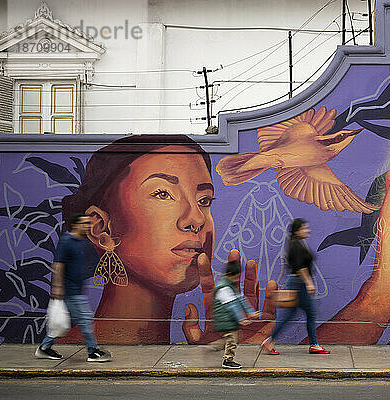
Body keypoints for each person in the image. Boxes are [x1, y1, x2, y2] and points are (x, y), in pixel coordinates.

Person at [59, 135, 275, 345]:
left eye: (204, 200)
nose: (197, 219)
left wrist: (225, 349)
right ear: (102, 229)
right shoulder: (69, 361)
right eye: (163, 194)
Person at [35, 213, 112, 362]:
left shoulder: (81, 241)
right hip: (69, 290)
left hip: (76, 289)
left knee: (65, 322)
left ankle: (45, 347)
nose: (87, 226)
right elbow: (58, 265)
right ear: (76, 224)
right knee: (85, 319)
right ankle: (92, 351)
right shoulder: (67, 241)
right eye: (84, 223)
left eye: (88, 224)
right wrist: (57, 288)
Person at [261, 218, 330, 355]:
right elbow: (300, 267)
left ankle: (270, 340)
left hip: (296, 283)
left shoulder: (296, 244)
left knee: (290, 315)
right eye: (305, 228)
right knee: (310, 313)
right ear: (297, 231)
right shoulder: (296, 246)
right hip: (299, 283)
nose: (307, 230)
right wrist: (309, 282)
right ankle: (314, 344)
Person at [213, 260, 260, 369]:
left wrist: (250, 312)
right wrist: (240, 318)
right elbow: (231, 305)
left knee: (232, 338)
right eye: (236, 277)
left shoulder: (231, 286)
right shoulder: (224, 288)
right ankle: (228, 360)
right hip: (225, 319)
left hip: (229, 318)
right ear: (229, 275)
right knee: (232, 340)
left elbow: (241, 299)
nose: (237, 279)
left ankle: (215, 346)